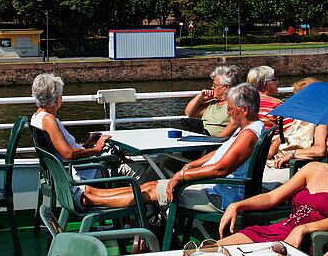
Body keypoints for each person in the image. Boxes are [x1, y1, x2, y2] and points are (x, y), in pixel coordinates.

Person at [81, 83, 265, 212]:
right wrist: (189, 166)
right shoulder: (247, 130)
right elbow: (219, 153)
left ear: (245, 110)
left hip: (220, 196)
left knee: (152, 190)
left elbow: (220, 168)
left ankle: (91, 200)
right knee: (150, 185)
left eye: (231, 109)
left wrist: (182, 175)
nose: (228, 112)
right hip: (217, 188)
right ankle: (95, 193)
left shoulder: (248, 135)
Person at [217, 127, 328, 249]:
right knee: (214, 250)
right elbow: (273, 197)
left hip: (313, 240)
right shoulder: (312, 168)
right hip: (284, 228)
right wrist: (237, 205)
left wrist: (304, 229)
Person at [30, 73, 111, 193]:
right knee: (134, 170)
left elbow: (60, 149)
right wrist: (97, 149)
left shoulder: (36, 117)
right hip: (84, 171)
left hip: (74, 168)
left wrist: (86, 145)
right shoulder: (48, 119)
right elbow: (68, 154)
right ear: (57, 99)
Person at [269, 78, 328, 167]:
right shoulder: (299, 119)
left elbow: (320, 150)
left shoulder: (320, 122)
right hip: (277, 161)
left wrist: (292, 154)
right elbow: (281, 138)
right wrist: (269, 154)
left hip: (295, 165)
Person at [184, 65, 242, 138]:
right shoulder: (213, 103)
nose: (212, 88)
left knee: (175, 126)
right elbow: (189, 113)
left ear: (226, 87)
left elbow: (234, 125)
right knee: (172, 125)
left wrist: (216, 140)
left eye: (215, 85)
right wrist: (200, 97)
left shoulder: (233, 104)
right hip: (199, 131)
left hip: (207, 137)